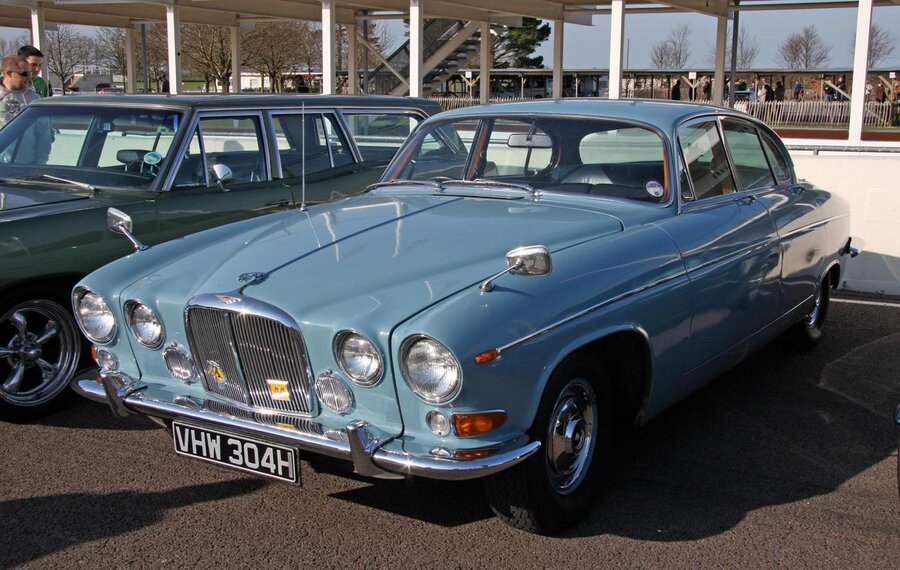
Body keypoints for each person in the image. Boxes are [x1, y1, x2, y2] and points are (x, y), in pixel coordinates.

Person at [0, 54, 38, 127]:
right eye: (24, 73)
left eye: (30, 73)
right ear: (9, 73)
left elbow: (42, 127)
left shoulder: (34, 98)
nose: (29, 77)